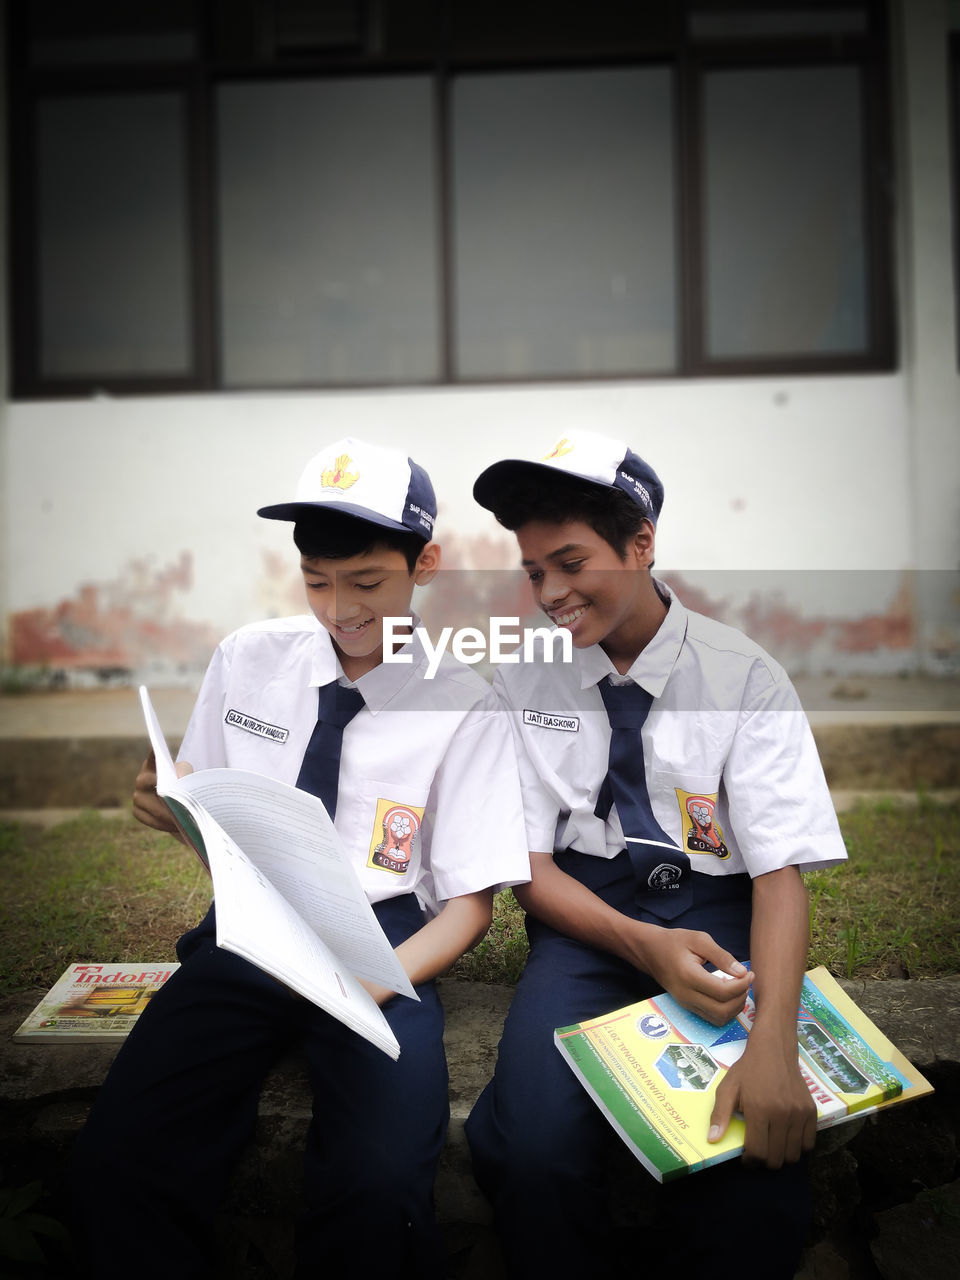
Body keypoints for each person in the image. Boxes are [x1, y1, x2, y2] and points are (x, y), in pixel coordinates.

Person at [67, 436, 530, 1280]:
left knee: (382, 1179)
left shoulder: (465, 704)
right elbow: (215, 817)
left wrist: (363, 986)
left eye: (366, 583)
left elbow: (468, 909)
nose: (339, 608)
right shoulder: (250, 660)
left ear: (425, 564)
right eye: (317, 581)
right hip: (251, 927)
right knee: (124, 1151)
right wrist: (171, 812)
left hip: (382, 948)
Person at [464, 428, 848, 1278]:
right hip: (587, 925)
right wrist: (642, 945)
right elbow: (532, 869)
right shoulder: (525, 681)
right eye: (534, 574)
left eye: (571, 563)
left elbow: (778, 873)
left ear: (641, 545)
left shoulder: (743, 677)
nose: (551, 594)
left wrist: (773, 1047)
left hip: (721, 916)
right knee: (529, 1152)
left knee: (754, 1157)